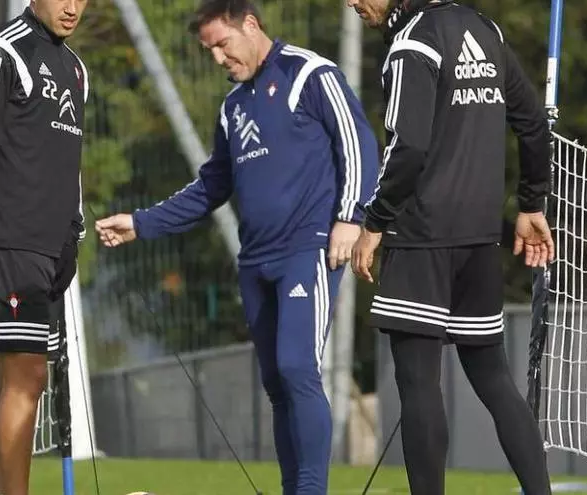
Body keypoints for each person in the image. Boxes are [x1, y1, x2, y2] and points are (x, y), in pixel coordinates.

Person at [95, 1, 378, 493]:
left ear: (250, 24)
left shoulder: (310, 73)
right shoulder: (233, 107)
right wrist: (141, 223)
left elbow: (358, 145)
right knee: (277, 385)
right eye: (208, 51)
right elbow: (211, 186)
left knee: (297, 368)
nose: (218, 58)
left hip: (307, 251)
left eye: (222, 45)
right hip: (255, 262)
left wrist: (350, 218)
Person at [347, 0, 555, 493]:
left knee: (419, 383)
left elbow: (408, 147)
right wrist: (531, 204)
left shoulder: (413, 41)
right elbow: (532, 123)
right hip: (479, 238)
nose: (351, 2)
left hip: (421, 236)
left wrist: (374, 223)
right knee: (494, 379)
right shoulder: (484, 29)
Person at [0, 0, 88, 493]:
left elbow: (70, 159)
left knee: (23, 379)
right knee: (24, 376)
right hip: (8, 242)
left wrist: (74, 230)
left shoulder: (76, 69)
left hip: (49, 247)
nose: (72, 7)